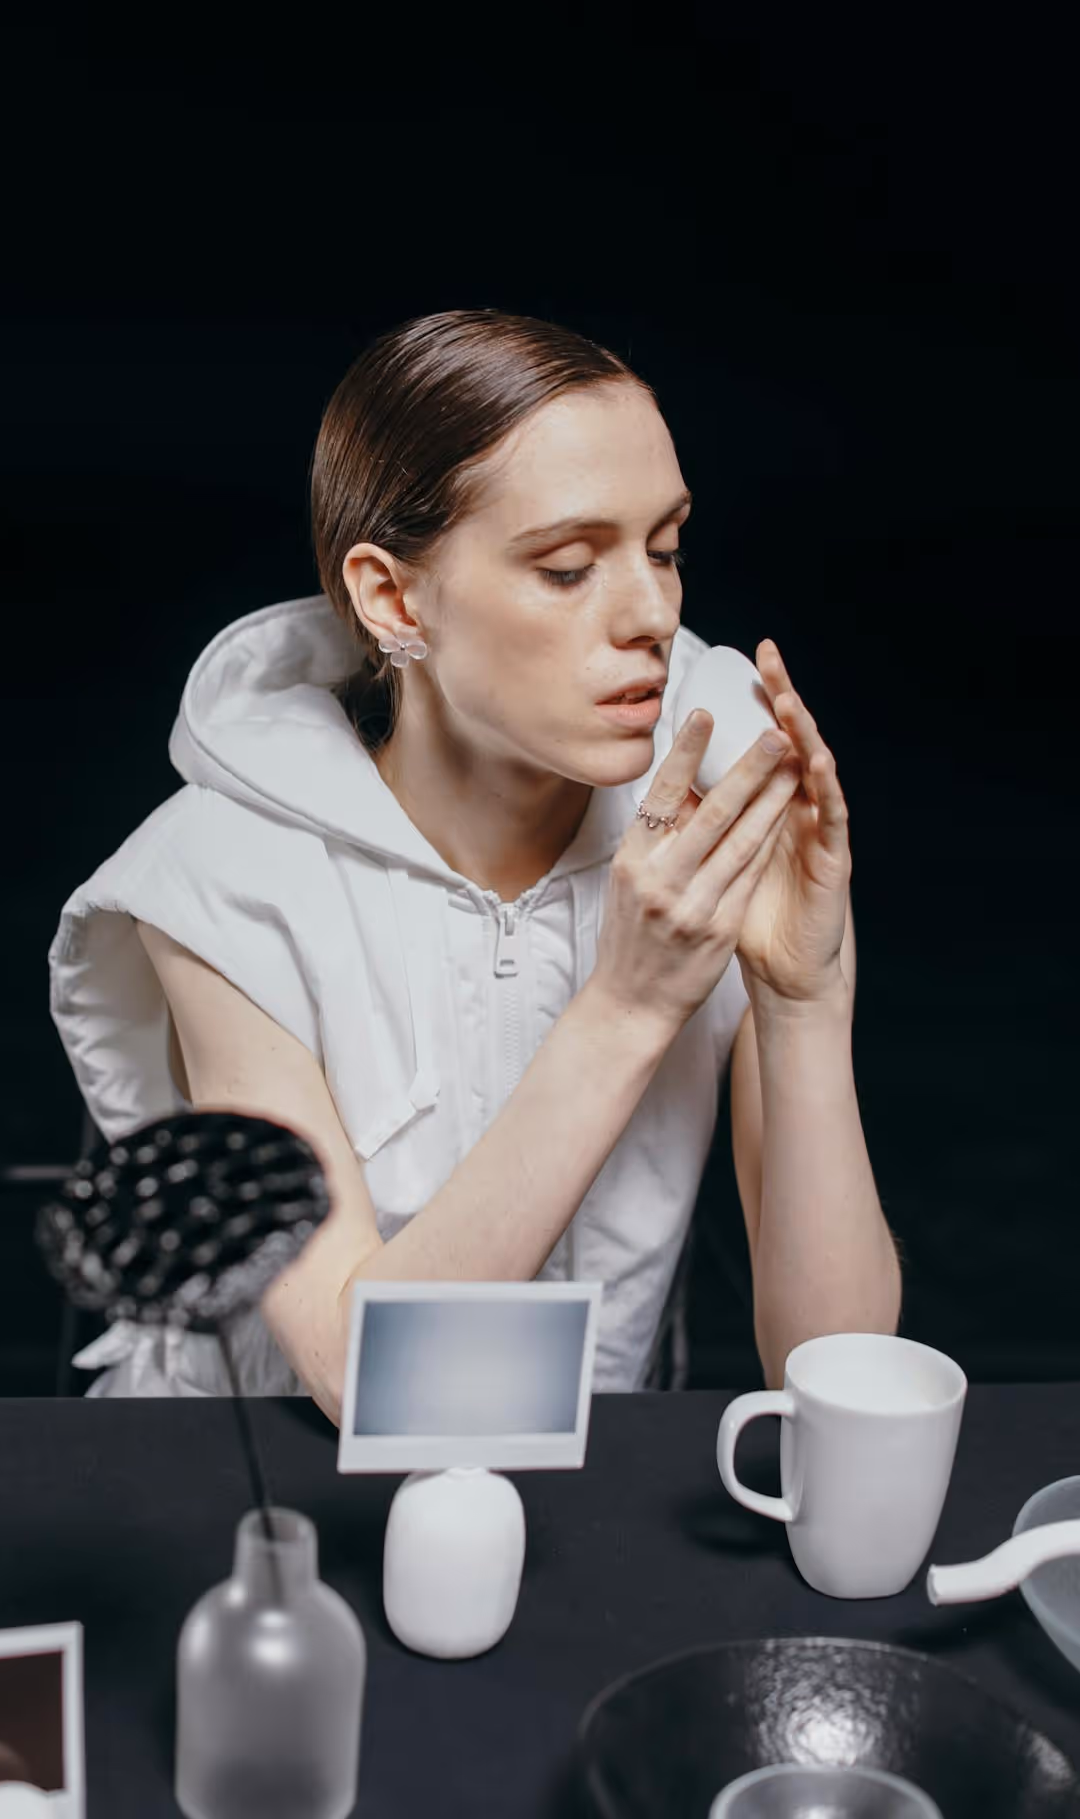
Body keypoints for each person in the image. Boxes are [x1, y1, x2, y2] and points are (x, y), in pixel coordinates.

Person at [49, 308, 900, 1421]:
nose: (650, 613)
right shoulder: (217, 879)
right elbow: (361, 1377)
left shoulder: (700, 831)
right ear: (393, 599)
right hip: (255, 1488)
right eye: (564, 567)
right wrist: (629, 1004)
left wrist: (802, 995)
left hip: (579, 1497)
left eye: (666, 548)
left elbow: (829, 1378)